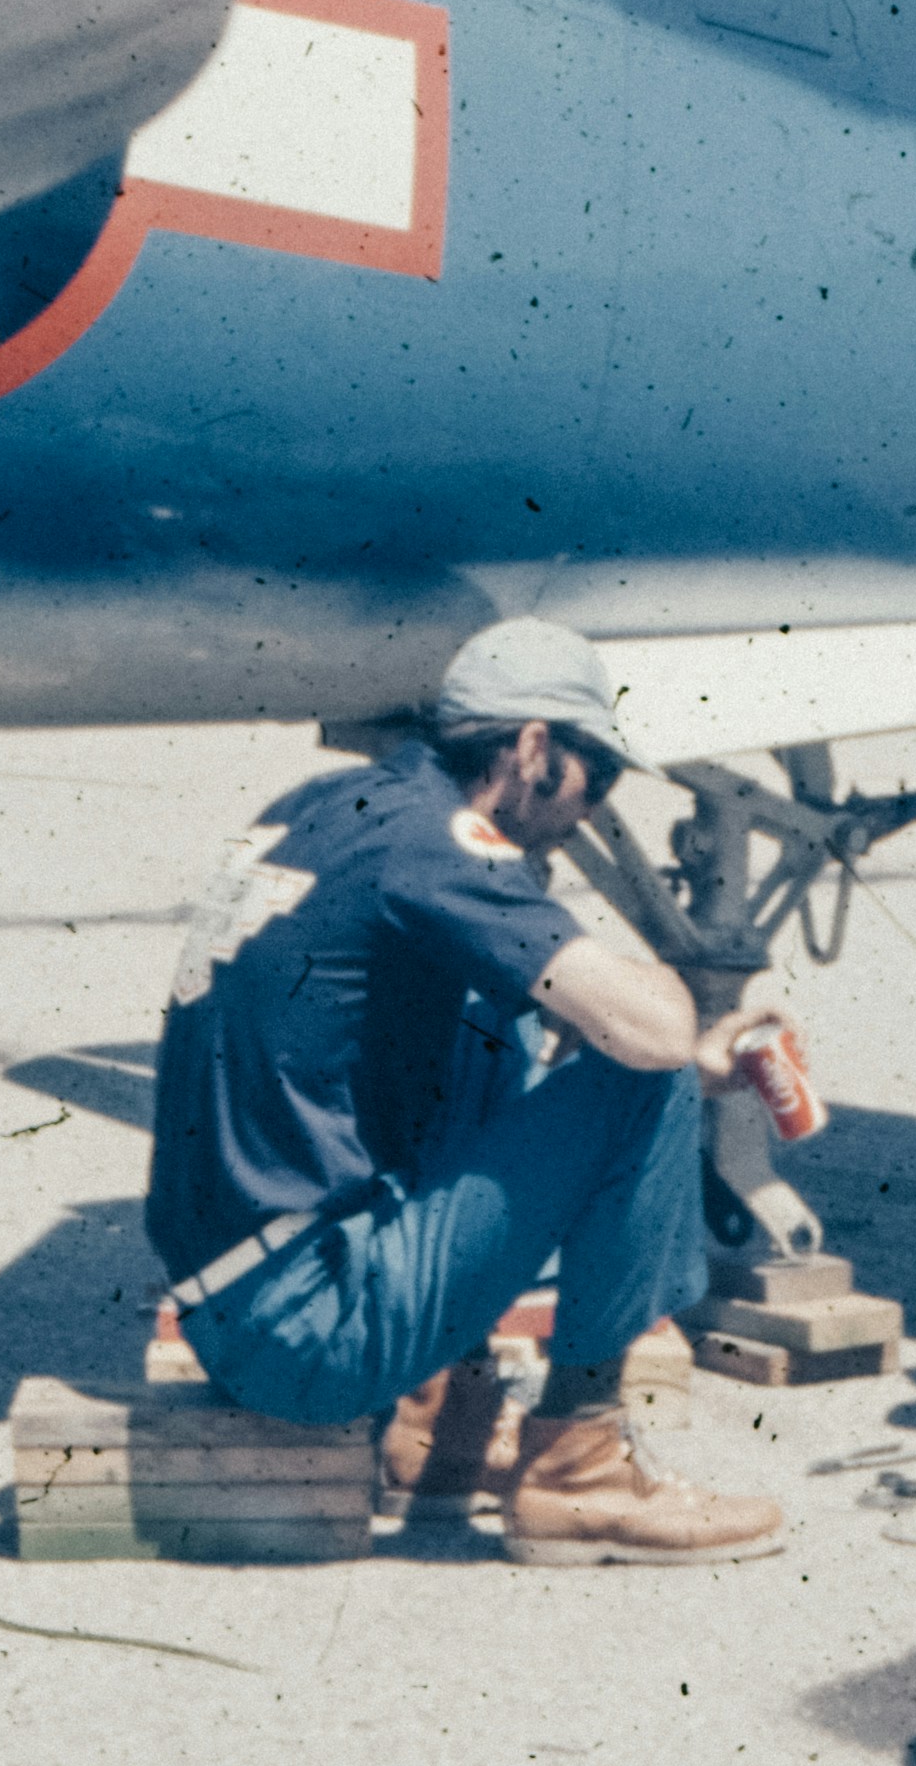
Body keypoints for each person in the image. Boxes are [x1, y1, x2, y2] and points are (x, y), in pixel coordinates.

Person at [148, 617, 782, 1565]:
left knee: (503, 1014)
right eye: (594, 779)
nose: (591, 811)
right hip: (310, 1333)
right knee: (642, 1082)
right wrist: (683, 1033)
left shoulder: (330, 804)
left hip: (238, 1300)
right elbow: (652, 1036)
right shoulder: (439, 842)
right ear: (532, 750)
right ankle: (581, 1475)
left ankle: (430, 1416)